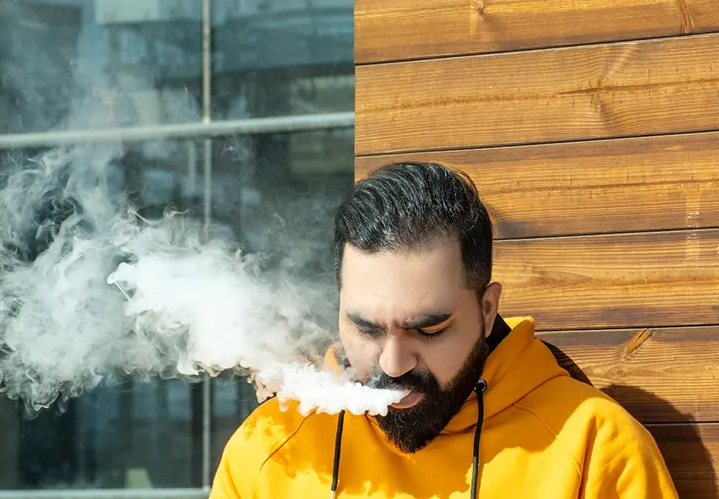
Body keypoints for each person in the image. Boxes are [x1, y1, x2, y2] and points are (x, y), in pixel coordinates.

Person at [210, 161, 679, 498]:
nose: (393, 363)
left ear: (488, 308)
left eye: (429, 330)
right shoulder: (270, 448)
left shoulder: (594, 446)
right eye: (366, 328)